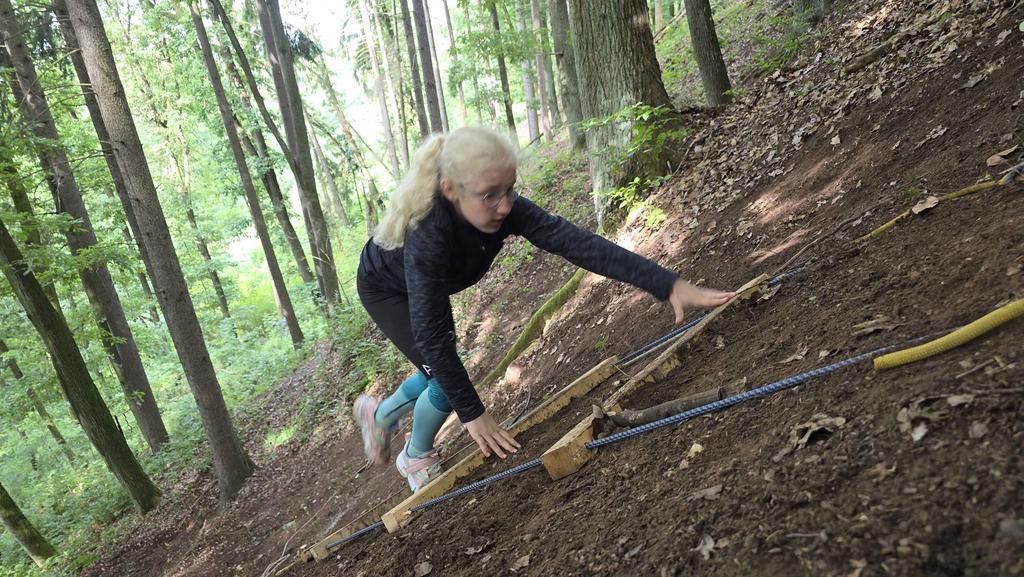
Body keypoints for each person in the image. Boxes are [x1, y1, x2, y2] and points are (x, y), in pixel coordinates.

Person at [354, 126, 733, 492]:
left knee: (435, 368)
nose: (505, 206)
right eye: (489, 195)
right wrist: (473, 414)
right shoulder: (429, 235)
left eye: (509, 190)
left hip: (423, 284)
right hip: (387, 290)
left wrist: (666, 284)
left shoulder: (502, 207)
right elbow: (433, 338)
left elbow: (575, 242)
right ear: (450, 190)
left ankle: (380, 416)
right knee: (441, 375)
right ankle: (415, 455)